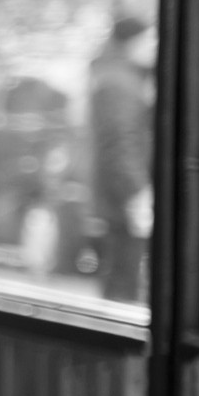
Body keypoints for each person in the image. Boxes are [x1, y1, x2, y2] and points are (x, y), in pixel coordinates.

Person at [86, 15, 155, 303]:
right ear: (132, 43)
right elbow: (119, 143)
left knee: (122, 270)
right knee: (123, 273)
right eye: (150, 39)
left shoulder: (119, 77)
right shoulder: (119, 84)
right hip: (124, 194)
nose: (154, 46)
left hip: (120, 190)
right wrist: (136, 192)